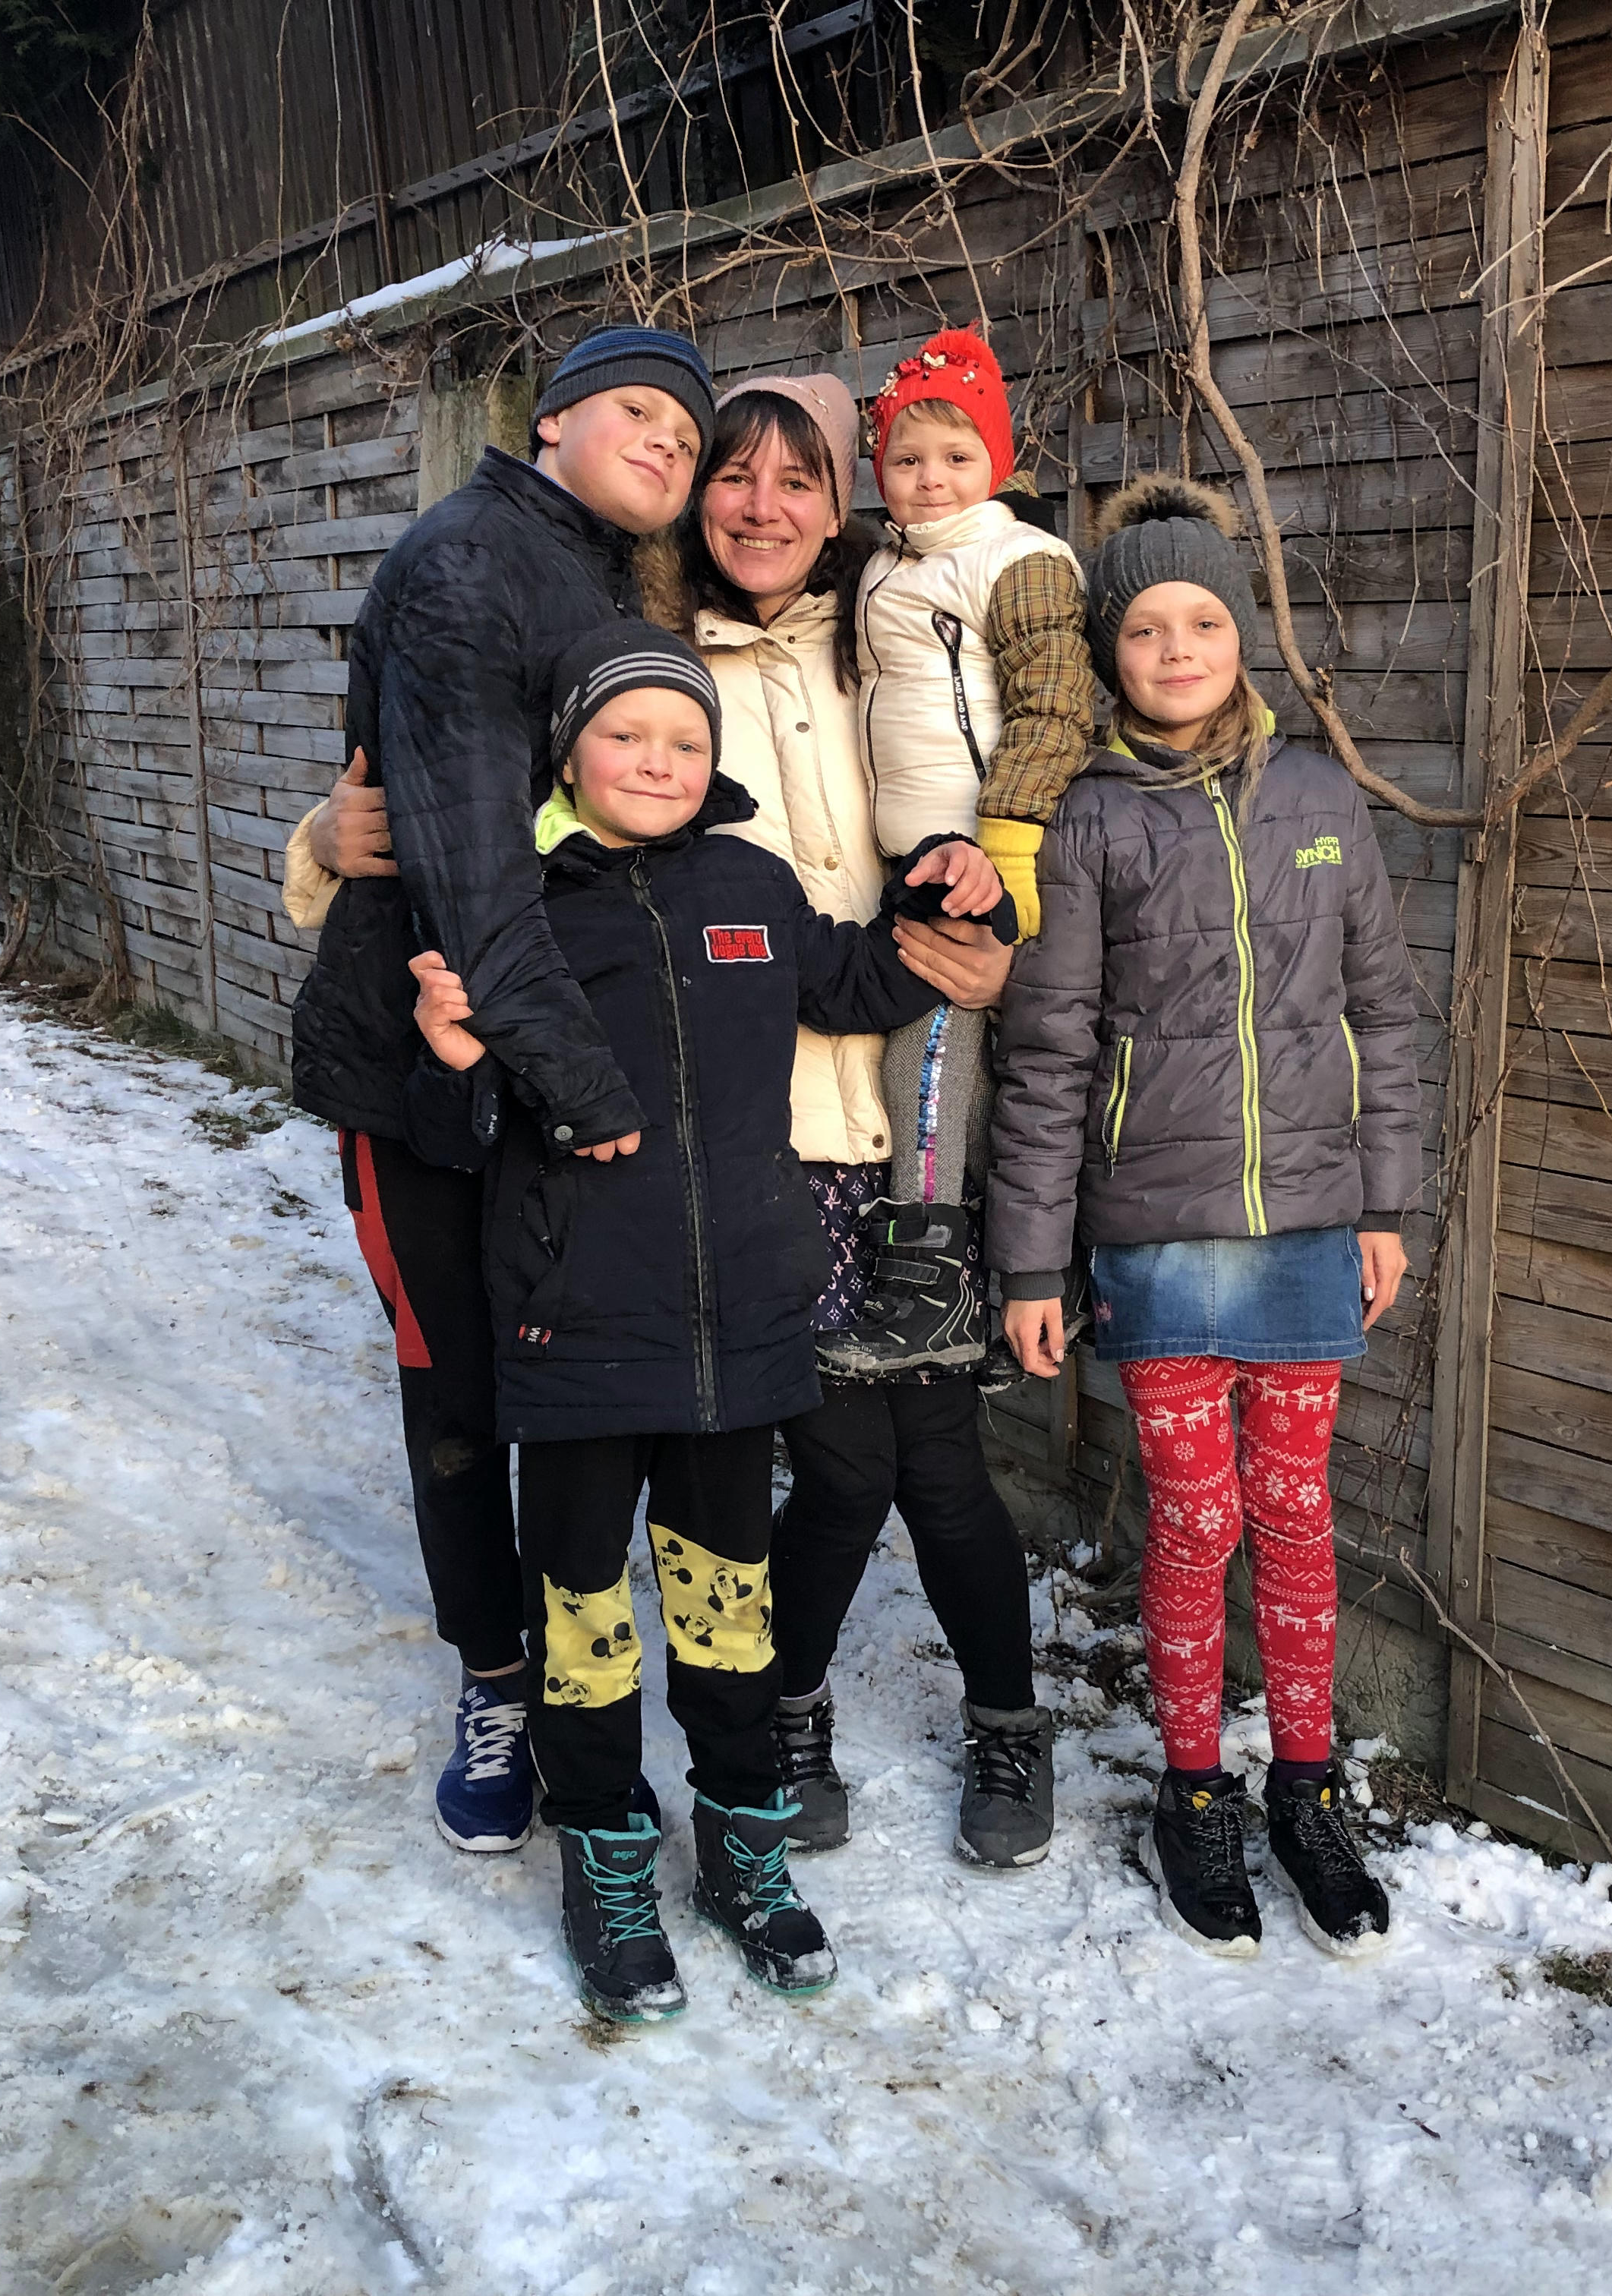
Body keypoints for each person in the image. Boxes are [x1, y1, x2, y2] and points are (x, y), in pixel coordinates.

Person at [405, 621, 1013, 2020]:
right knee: (584, 1622)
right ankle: (610, 1854)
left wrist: (976, 904)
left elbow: (858, 982)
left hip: (741, 1331)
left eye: (685, 739)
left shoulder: (747, 881)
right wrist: (448, 1057)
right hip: (574, 1333)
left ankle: (743, 1845)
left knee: (732, 1621)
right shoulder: (513, 904)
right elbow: (456, 1129)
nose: (660, 761)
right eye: (628, 736)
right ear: (570, 751)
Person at [279, 323, 713, 1858]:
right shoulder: (474, 562)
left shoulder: (606, 577)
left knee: (563, 1391)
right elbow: (466, 866)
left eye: (688, 428)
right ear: (552, 421)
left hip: (527, 1054)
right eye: (639, 411)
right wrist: (592, 1086)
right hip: (425, 1069)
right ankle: (496, 1682)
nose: (668, 442)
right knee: (459, 1393)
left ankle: (573, 1685)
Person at [989, 477, 1421, 1960]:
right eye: (1147, 626)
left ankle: (1303, 1789)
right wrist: (1034, 1257)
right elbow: (1044, 1055)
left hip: (1310, 1226)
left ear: (1240, 635)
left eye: (1203, 620)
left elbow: (1385, 1011)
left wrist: (1389, 1201)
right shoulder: (1086, 822)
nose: (1177, 648)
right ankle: (1192, 1795)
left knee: (1299, 1516)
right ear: (1111, 653)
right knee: (1195, 1521)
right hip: (1157, 1236)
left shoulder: (1316, 801)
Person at [642, 373, 1059, 1867]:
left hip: (918, 1108)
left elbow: (1020, 783)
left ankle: (1012, 1729)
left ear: (844, 501)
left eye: (800, 481)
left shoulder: (898, 625)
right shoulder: (649, 656)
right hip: (756, 1134)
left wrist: (1007, 931)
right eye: (737, 478)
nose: (765, 508)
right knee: (835, 1463)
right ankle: (794, 1705)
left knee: (933, 1458)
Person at [817, 326, 1093, 1380]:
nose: (931, 478)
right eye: (906, 457)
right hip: (918, 848)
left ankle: (929, 1285)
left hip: (978, 845)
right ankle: (991, 1287)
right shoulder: (885, 559)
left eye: (957, 456)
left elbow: (1056, 706)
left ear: (1001, 465)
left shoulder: (1014, 560)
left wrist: (1005, 844)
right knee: (969, 1063)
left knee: (927, 1047)